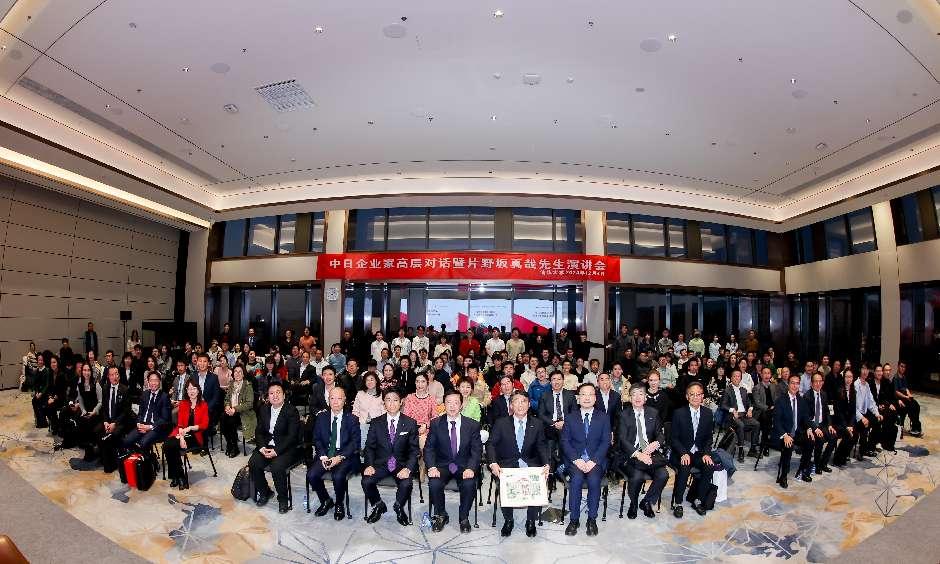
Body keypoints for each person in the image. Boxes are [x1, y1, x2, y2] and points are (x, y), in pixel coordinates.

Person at [487, 391, 550, 538]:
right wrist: (493, 463)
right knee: (504, 483)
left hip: (530, 464)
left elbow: (542, 446)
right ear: (511, 405)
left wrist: (546, 464)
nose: (520, 405)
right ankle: (509, 520)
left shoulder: (537, 424)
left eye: (524, 401)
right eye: (516, 401)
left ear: (529, 404)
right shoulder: (501, 423)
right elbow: (491, 444)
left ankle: (531, 521)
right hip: (507, 465)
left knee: (537, 481)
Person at [425, 391, 482, 533]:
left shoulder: (472, 425)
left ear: (461, 405)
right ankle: (441, 515)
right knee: (434, 483)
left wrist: (471, 468)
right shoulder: (436, 423)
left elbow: (476, 450)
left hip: (464, 466)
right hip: (442, 465)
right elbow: (429, 448)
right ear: (444, 405)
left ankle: (463, 517)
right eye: (448, 402)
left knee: (469, 484)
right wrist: (431, 467)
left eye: (456, 402)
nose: (452, 406)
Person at [361, 389, 419, 526]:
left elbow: (414, 450)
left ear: (401, 402)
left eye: (395, 400)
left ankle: (399, 507)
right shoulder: (376, 422)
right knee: (366, 481)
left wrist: (408, 468)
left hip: (401, 464)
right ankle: (378, 505)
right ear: (383, 403)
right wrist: (369, 465)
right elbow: (369, 447)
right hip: (380, 463)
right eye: (388, 400)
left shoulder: (410, 423)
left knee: (406, 484)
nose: (392, 404)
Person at [560, 383, 610, 536]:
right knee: (576, 480)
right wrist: (576, 460)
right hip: (576, 460)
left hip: (596, 460)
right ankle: (574, 520)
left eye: (590, 394)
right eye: (583, 394)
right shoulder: (570, 417)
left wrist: (594, 461)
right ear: (578, 398)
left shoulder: (603, 417)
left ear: (595, 398)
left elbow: (606, 441)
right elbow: (565, 441)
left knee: (594, 480)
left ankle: (592, 519)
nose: (587, 397)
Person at [308, 387, 360, 520]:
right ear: (328, 400)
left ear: (345, 400)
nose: (335, 402)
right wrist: (323, 456)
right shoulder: (321, 417)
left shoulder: (352, 419)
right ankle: (325, 500)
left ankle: (339, 503)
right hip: (326, 454)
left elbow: (355, 443)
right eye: (332, 398)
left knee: (338, 476)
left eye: (339, 398)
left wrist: (339, 457)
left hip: (345, 455)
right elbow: (317, 439)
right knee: (312, 475)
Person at [250, 382, 302, 513]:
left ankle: (283, 499)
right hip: (267, 445)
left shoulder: (291, 411)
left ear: (284, 395)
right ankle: (265, 492)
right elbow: (259, 431)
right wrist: (261, 447)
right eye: (271, 393)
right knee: (253, 462)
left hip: (286, 447)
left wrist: (277, 451)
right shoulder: (264, 409)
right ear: (268, 396)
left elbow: (292, 437)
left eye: (278, 392)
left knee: (277, 466)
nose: (275, 395)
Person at [619, 384, 668, 520]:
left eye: (640, 394)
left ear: (645, 397)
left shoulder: (653, 413)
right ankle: (634, 504)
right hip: (632, 454)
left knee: (663, 474)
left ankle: (646, 501)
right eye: (634, 394)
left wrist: (656, 443)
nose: (637, 397)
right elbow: (622, 439)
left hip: (650, 452)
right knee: (637, 477)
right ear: (630, 398)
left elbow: (660, 434)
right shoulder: (624, 415)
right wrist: (638, 454)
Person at [670, 382, 716, 517]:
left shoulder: (708, 413)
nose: (695, 397)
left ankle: (698, 499)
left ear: (702, 396)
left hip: (698, 453)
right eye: (692, 394)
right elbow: (674, 438)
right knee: (685, 467)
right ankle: (678, 503)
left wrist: (707, 453)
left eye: (698, 394)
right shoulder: (679, 413)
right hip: (681, 452)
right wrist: (683, 453)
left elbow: (708, 438)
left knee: (709, 466)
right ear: (687, 396)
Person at [162, 379, 209, 489]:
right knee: (167, 445)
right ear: (186, 391)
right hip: (182, 433)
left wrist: (190, 428)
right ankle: (180, 475)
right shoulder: (183, 404)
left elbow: (204, 424)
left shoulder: (203, 405)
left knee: (171, 446)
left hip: (195, 436)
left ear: (198, 390)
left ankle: (176, 476)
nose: (191, 391)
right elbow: (180, 424)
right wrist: (182, 438)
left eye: (194, 388)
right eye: (189, 389)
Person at [774, 373, 812, 488]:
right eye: (792, 383)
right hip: (784, 433)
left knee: (810, 440)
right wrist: (785, 435)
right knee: (788, 445)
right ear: (788, 385)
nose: (795, 386)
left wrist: (809, 428)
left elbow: (806, 418)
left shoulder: (801, 401)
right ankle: (783, 476)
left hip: (797, 432)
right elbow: (776, 422)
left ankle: (803, 470)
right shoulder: (781, 400)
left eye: (797, 383)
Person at [95, 366, 132, 472]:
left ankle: (112, 463)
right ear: (108, 377)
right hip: (108, 420)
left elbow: (126, 411)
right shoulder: (105, 388)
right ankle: (103, 457)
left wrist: (115, 423)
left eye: (116, 374)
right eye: (111, 375)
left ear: (119, 376)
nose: (114, 377)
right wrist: (105, 421)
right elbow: (104, 408)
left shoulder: (125, 390)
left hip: (120, 422)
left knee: (111, 436)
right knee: (97, 431)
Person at [123, 371, 171, 450]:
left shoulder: (164, 397)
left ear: (159, 382)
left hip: (156, 427)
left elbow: (164, 419)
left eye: (156, 380)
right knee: (127, 441)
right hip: (142, 425)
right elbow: (140, 413)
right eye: (151, 380)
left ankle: (147, 457)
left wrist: (149, 427)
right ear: (148, 382)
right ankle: (137, 456)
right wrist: (139, 423)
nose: (153, 383)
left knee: (142, 443)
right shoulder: (144, 394)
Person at [721, 369, 761, 461]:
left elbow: (749, 402)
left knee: (757, 424)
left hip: (744, 415)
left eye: (738, 376)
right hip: (733, 416)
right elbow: (722, 405)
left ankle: (752, 449)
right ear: (731, 378)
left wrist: (750, 409)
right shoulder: (727, 390)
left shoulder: (743, 390)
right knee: (741, 425)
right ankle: (741, 450)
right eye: (734, 376)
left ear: (741, 378)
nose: (736, 378)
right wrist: (732, 410)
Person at [805, 372, 837, 474]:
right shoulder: (807, 396)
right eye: (815, 381)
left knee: (834, 437)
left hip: (822, 424)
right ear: (811, 383)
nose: (818, 384)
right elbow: (806, 417)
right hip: (812, 425)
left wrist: (830, 425)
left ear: (823, 382)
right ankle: (817, 464)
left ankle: (824, 462)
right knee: (820, 439)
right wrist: (815, 428)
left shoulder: (824, 394)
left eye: (820, 381)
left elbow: (827, 412)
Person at [221, 365, 256, 458]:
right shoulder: (231, 384)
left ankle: (235, 447)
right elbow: (226, 399)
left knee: (231, 421)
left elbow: (249, 404)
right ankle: (229, 443)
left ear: (243, 374)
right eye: (235, 371)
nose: (237, 373)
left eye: (240, 372)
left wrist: (235, 409)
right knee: (222, 419)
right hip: (231, 410)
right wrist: (227, 406)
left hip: (243, 412)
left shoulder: (248, 385)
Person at [352, 372, 385, 449]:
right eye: (367, 380)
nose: (369, 382)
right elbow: (355, 411)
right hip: (362, 424)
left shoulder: (382, 394)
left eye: (372, 379)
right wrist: (356, 424)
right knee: (362, 445)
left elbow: (384, 412)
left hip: (377, 425)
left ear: (376, 381)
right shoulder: (360, 394)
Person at [892, 361, 921, 437]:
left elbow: (906, 388)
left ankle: (915, 427)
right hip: (899, 399)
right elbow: (896, 392)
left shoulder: (904, 377)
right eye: (901, 366)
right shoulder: (895, 378)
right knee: (912, 407)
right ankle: (914, 428)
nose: (903, 368)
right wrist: (906, 397)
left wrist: (909, 394)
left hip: (906, 398)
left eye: (904, 367)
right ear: (898, 367)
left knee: (917, 406)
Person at [31, 354, 53, 428]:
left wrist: (41, 393)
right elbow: (35, 384)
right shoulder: (36, 371)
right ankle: (40, 421)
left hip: (46, 393)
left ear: (43, 361)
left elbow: (47, 384)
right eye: (39, 360)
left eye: (41, 360)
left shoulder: (47, 370)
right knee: (34, 401)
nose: (40, 362)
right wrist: (37, 392)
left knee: (41, 401)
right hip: (39, 393)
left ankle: (43, 421)